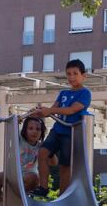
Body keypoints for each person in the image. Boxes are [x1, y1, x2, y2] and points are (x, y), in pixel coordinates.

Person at [29, 59, 91, 193]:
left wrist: (50, 111)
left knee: (65, 165)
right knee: (42, 152)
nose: (72, 77)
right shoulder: (63, 93)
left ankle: (63, 195)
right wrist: (40, 112)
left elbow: (72, 110)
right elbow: (52, 110)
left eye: (75, 73)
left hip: (70, 132)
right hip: (57, 130)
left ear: (83, 75)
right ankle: (43, 187)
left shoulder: (85, 93)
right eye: (69, 74)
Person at [16, 115, 54, 198]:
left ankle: (22, 197)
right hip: (14, 175)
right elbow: (12, 129)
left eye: (38, 129)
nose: (34, 132)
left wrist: (51, 152)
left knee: (33, 178)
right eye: (30, 128)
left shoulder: (41, 147)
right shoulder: (19, 139)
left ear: (42, 132)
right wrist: (17, 120)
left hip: (29, 176)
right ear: (25, 130)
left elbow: (53, 163)